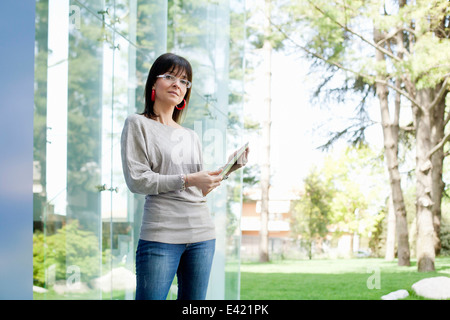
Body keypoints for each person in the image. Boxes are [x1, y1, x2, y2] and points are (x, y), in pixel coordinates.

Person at [120, 53, 249, 300]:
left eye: (184, 81)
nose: (177, 84)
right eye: (169, 76)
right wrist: (189, 179)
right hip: (161, 234)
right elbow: (137, 180)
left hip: (202, 235)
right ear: (153, 84)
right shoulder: (137, 124)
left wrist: (229, 169)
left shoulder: (191, 136)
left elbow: (198, 189)